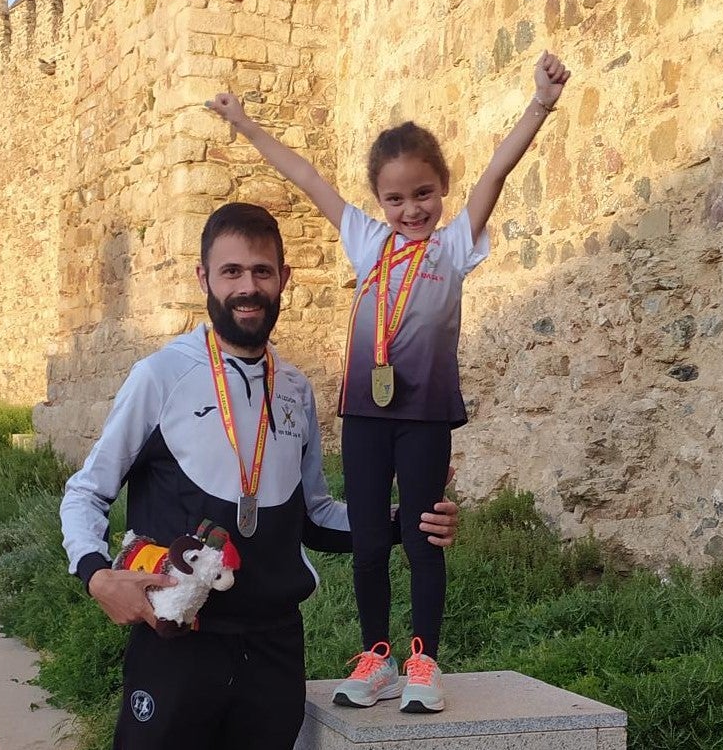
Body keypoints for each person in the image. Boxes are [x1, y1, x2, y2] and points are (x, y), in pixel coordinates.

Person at [60, 202, 461, 750]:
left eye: (262, 271)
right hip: (178, 645)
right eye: (232, 271)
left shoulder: (297, 390)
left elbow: (314, 513)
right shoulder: (160, 376)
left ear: (285, 278)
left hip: (273, 649)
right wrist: (97, 574)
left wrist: (403, 522)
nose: (248, 286)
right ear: (203, 278)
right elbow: (86, 490)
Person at [206, 51, 571, 714]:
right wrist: (246, 125)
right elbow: (305, 175)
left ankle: (423, 659)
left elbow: (496, 169)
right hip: (365, 417)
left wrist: (539, 104)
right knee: (371, 541)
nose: (411, 209)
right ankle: (375, 653)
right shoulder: (366, 242)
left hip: (426, 415)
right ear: (378, 201)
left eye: (423, 194)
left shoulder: (455, 246)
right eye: (395, 198)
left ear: (441, 189)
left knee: (426, 535)